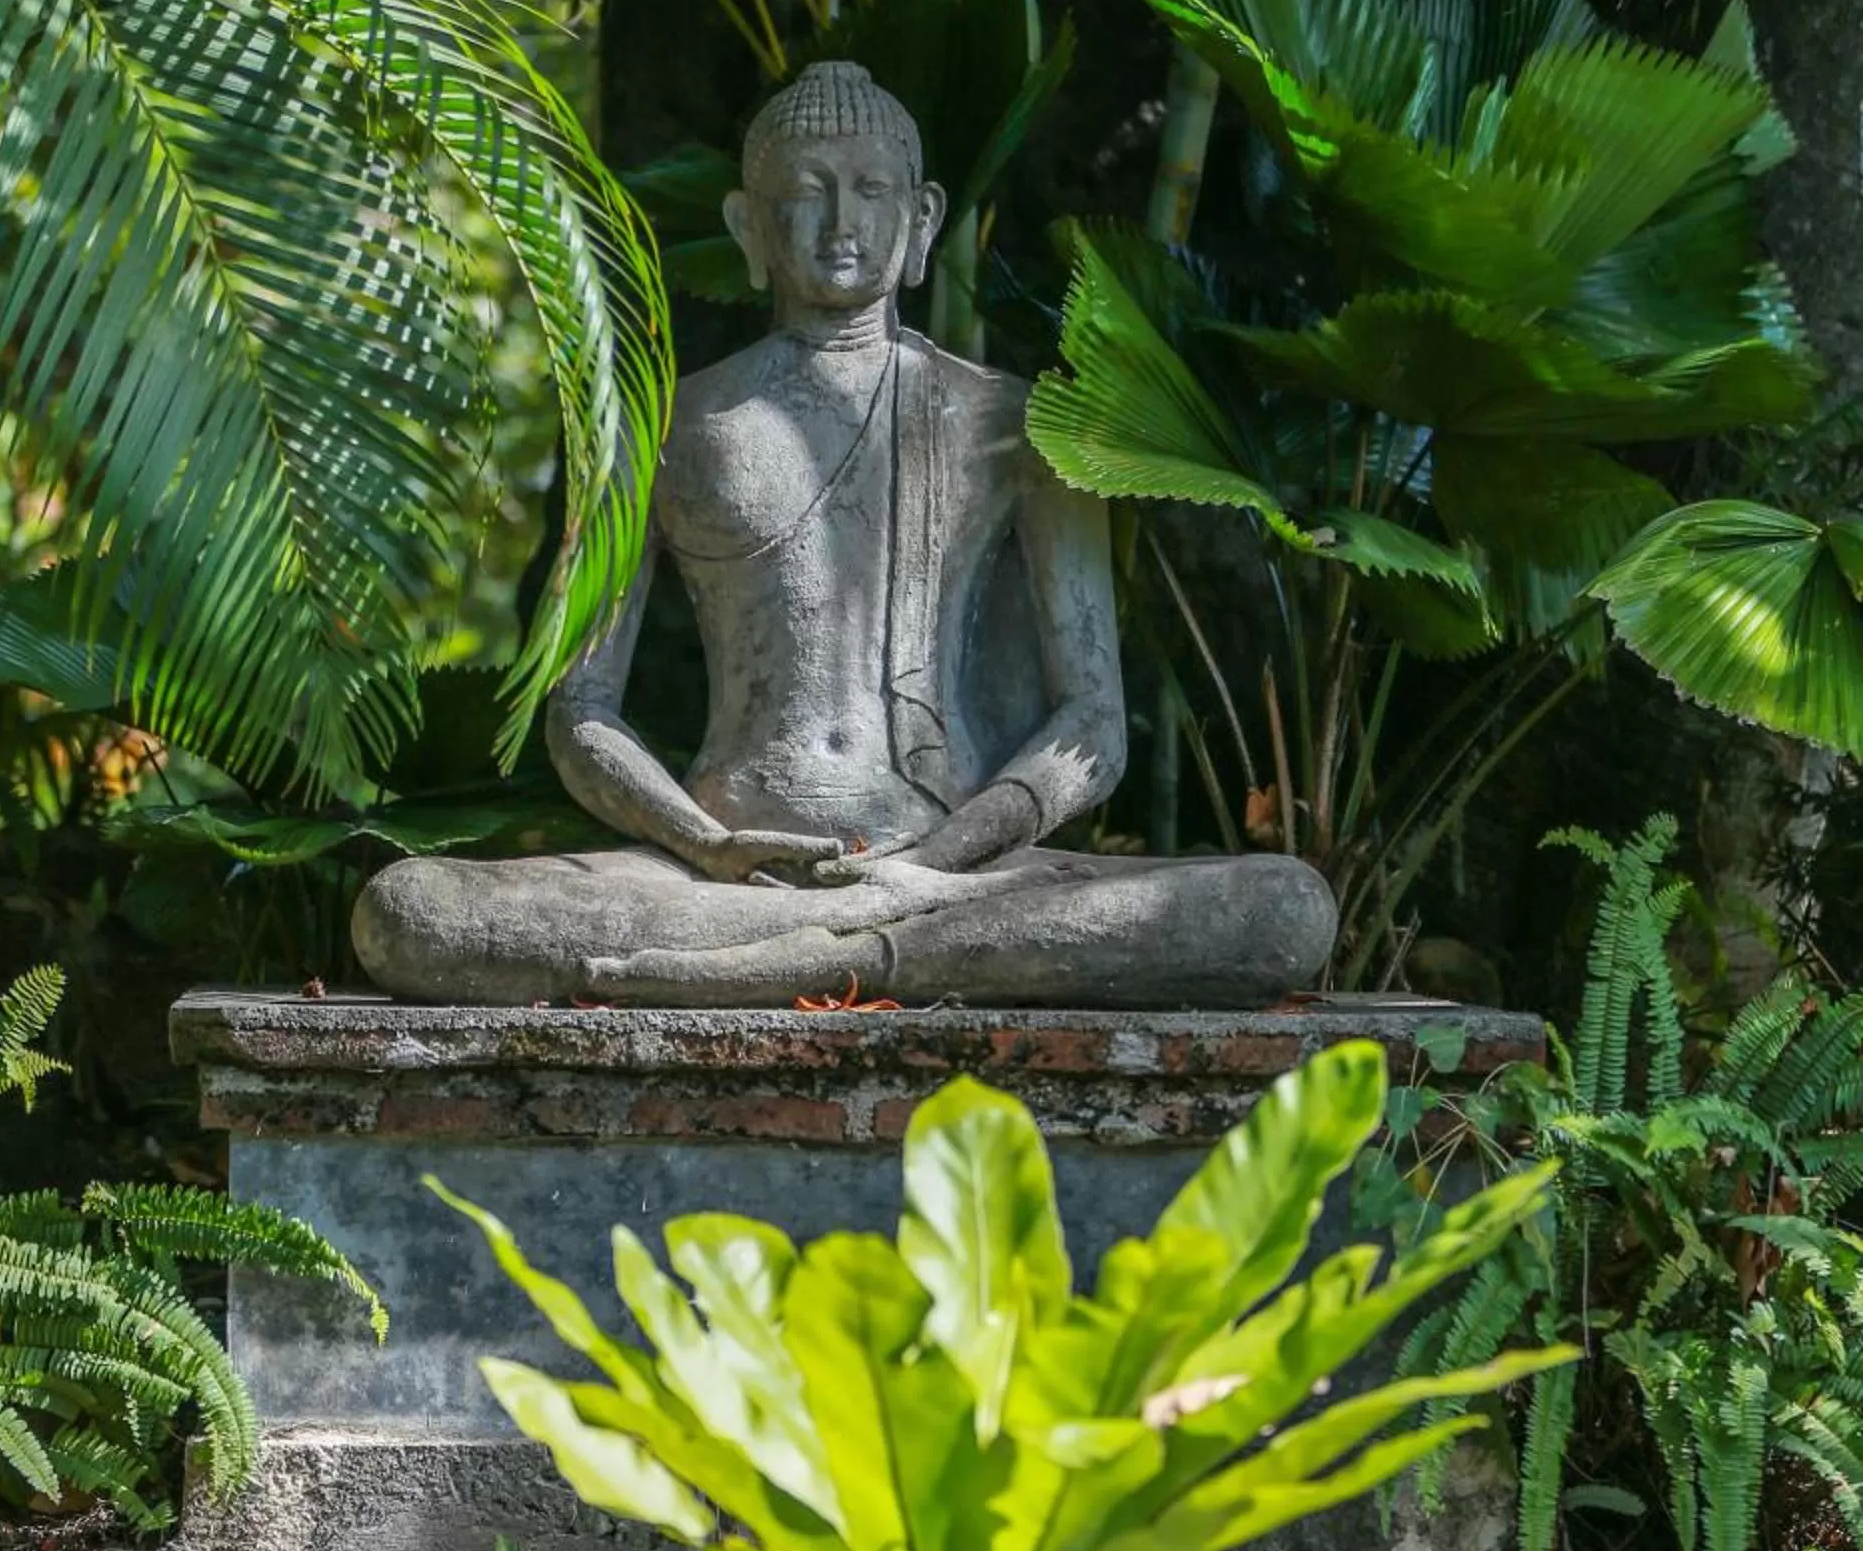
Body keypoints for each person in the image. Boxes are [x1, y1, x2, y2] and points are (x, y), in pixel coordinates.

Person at [351, 62, 1334, 1007]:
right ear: (748, 223)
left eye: (870, 190)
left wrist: (928, 870)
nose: (840, 221)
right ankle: (856, 954)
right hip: (717, 876)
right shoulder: (657, 431)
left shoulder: (1017, 426)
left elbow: (1090, 728)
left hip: (955, 871)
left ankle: (834, 950)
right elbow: (581, 716)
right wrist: (701, 843)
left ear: (921, 220)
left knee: (1283, 910)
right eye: (805, 191)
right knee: (411, 913)